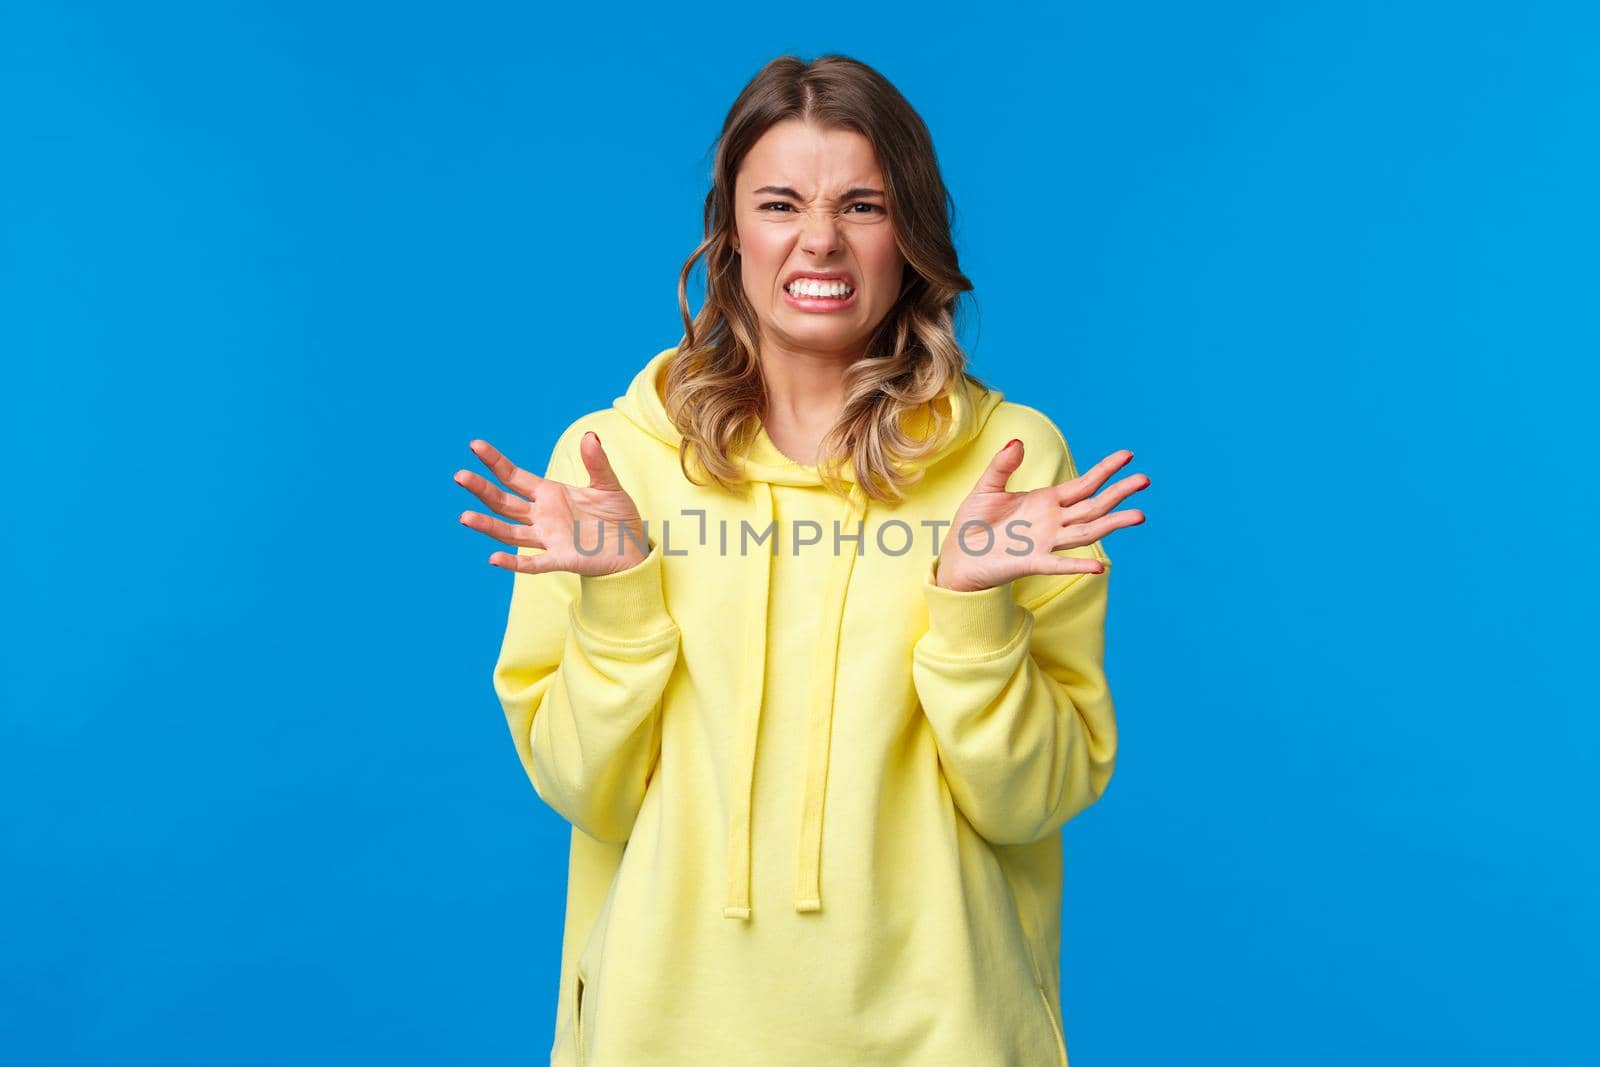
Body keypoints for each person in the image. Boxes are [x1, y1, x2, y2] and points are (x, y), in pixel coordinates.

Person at [456, 53, 1149, 1066]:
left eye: (861, 204)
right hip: (662, 1033)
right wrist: (617, 599)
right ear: (728, 229)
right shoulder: (610, 464)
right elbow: (582, 789)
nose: (819, 238)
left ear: (908, 231)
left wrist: (969, 612)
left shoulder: (1010, 468)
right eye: (779, 202)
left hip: (944, 1035)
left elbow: (1033, 799)